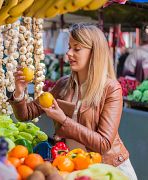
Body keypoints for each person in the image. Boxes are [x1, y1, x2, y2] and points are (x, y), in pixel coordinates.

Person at [10, 23, 137, 180]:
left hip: (108, 169)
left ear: (94, 53)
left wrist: (63, 120)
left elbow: (103, 144)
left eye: (77, 49)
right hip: (75, 168)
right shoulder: (63, 85)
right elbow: (26, 114)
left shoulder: (111, 89)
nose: (68, 53)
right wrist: (19, 91)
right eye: (69, 47)